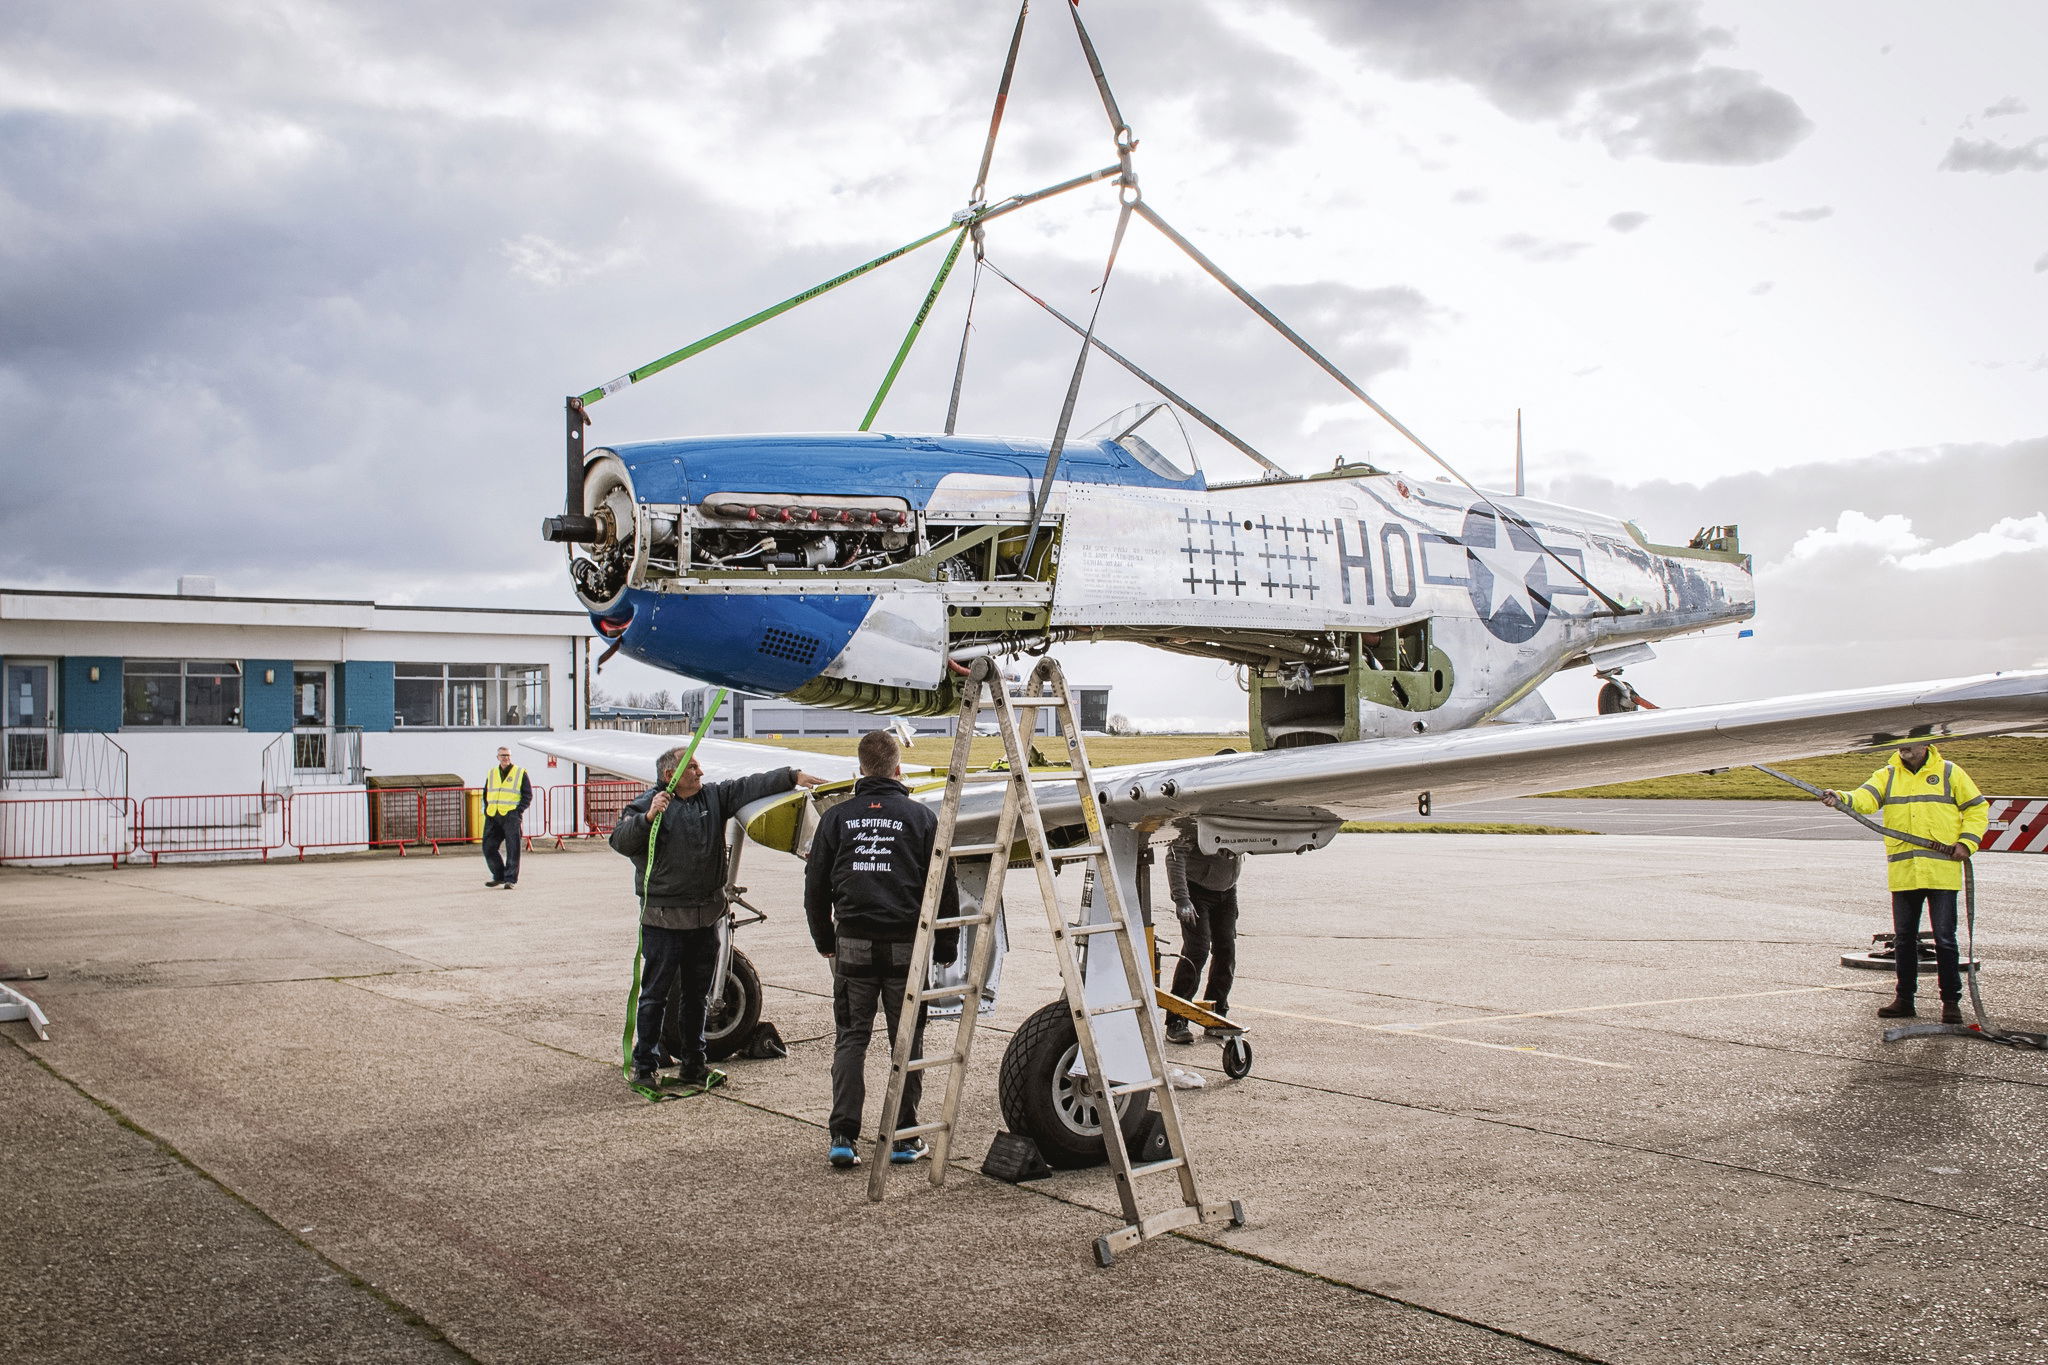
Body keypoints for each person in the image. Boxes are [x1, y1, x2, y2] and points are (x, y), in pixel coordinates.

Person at [611, 746, 823, 1090]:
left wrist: (791, 776)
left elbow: (747, 786)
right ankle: (645, 1066)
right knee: (654, 995)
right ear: (671, 776)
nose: (701, 772)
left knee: (697, 997)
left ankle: (694, 1064)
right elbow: (621, 841)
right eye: (693, 767)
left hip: (705, 920)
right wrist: (648, 818)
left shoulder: (713, 797)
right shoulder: (645, 805)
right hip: (663, 922)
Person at [805, 730, 960, 1168]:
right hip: (905, 947)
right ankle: (904, 1138)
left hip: (851, 943)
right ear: (898, 769)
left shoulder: (836, 819)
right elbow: (942, 885)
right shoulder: (921, 818)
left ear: (860, 769)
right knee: (905, 1042)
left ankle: (843, 1137)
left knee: (851, 1038)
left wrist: (824, 939)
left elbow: (814, 885)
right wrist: (946, 943)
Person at [1822, 740, 1989, 1023]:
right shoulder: (1888, 774)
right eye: (1900, 744)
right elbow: (1865, 798)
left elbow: (1977, 808)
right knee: (1904, 940)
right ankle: (1904, 1000)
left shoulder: (1949, 773)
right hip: (1905, 872)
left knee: (1946, 940)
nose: (1903, 748)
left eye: (1909, 743)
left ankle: (1951, 1003)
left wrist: (1968, 841)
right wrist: (1841, 797)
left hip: (1941, 871)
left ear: (1925, 745)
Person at [1162, 822, 1242, 1045]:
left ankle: (1217, 1012)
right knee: (1197, 951)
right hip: (1196, 891)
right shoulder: (1197, 820)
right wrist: (1181, 899)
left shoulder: (1237, 817)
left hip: (1227, 891)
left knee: (1226, 951)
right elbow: (1174, 855)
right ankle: (1177, 1019)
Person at [482, 746, 531, 889]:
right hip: (493, 815)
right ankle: (499, 875)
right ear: (497, 757)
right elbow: (486, 793)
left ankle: (510, 879)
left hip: (510, 816)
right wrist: (487, 810)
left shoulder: (520, 773)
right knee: (488, 847)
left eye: (508, 755)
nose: (505, 758)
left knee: (513, 848)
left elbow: (527, 795)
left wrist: (517, 811)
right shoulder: (492, 773)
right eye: (502, 755)